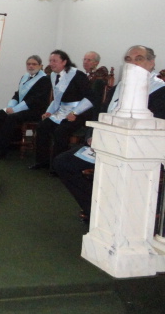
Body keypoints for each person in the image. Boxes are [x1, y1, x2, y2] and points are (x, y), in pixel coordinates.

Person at [54, 45, 165, 222]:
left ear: (152, 63)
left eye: (139, 59)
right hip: (105, 144)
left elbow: (155, 128)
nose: (133, 64)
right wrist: (91, 136)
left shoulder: (160, 90)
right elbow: (101, 114)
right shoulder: (119, 87)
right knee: (63, 163)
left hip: (137, 151)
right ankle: (95, 208)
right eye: (128, 60)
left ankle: (120, 213)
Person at [29, 50, 93, 170]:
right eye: (50, 61)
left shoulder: (78, 75)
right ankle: (42, 161)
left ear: (64, 62)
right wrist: (49, 112)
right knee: (42, 126)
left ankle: (58, 166)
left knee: (60, 131)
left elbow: (89, 98)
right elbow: (57, 98)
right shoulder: (54, 75)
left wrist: (75, 113)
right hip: (62, 111)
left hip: (79, 113)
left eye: (54, 61)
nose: (51, 63)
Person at [0, 55, 51, 159]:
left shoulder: (44, 80)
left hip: (35, 111)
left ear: (40, 66)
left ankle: (0, 151)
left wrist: (15, 109)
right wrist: (10, 106)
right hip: (22, 108)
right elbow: (18, 94)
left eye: (34, 64)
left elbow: (34, 100)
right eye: (28, 64)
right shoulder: (25, 77)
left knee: (11, 117)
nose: (31, 66)